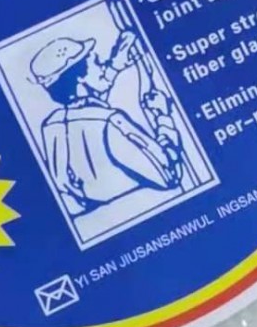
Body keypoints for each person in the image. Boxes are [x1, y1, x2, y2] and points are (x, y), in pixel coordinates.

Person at [29, 29, 184, 215]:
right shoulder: (110, 121)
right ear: (80, 78)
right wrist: (163, 117)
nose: (103, 66)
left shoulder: (51, 126)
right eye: (96, 62)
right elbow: (168, 174)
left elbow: (88, 101)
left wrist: (117, 62)